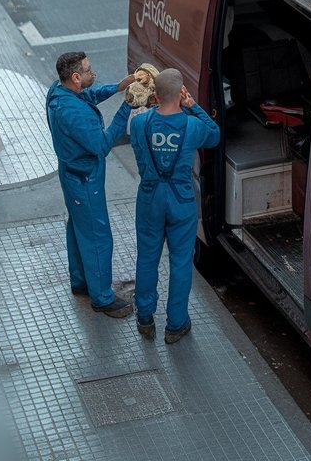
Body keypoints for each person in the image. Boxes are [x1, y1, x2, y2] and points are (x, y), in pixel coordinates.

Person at [129, 68, 221, 345]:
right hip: (181, 200)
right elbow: (214, 135)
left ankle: (145, 318)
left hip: (149, 198)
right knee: (180, 262)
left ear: (155, 96)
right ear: (180, 95)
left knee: (147, 258)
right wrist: (193, 107)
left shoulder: (139, 124)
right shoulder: (193, 126)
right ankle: (176, 324)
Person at [46, 51, 135, 318]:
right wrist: (127, 106)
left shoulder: (59, 91)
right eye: (88, 71)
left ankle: (81, 282)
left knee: (77, 227)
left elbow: (89, 95)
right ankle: (102, 297)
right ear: (75, 77)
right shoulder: (76, 115)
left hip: (70, 173)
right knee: (97, 236)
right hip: (85, 179)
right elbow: (101, 145)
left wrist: (119, 87)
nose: (92, 74)